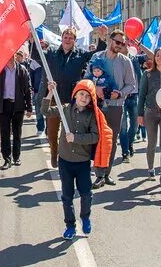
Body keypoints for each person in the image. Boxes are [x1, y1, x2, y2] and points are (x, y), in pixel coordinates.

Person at [43, 79, 111, 240]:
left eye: (87, 96)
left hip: (82, 162)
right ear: (75, 94)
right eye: (81, 94)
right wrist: (50, 92)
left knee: (86, 193)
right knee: (67, 196)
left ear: (91, 99)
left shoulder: (91, 115)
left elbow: (95, 136)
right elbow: (45, 111)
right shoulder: (64, 108)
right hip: (65, 161)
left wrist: (76, 138)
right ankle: (70, 226)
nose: (84, 98)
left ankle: (85, 216)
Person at [31, 26, 107, 167]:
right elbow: (36, 54)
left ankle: (67, 157)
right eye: (65, 37)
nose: (67, 40)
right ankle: (54, 152)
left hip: (73, 101)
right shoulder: (52, 53)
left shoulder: (80, 55)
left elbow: (97, 54)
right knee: (52, 133)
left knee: (69, 132)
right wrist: (32, 39)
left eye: (70, 38)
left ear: (74, 40)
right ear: (62, 38)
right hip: (54, 99)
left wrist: (101, 39)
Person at [90, 29, 138, 187]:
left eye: (123, 44)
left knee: (111, 141)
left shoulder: (125, 61)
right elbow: (86, 78)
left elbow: (131, 84)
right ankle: (98, 174)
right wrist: (95, 88)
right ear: (110, 41)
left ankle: (106, 173)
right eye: (118, 42)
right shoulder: (97, 57)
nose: (120, 45)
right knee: (98, 139)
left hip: (116, 107)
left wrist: (121, 93)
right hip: (97, 105)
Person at [136, 47, 161, 183]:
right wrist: (140, 114)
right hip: (150, 112)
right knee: (151, 143)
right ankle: (151, 169)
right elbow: (141, 95)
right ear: (154, 58)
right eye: (157, 55)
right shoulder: (148, 74)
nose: (160, 58)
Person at [0, 51, 33, 168]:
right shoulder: (0, 71)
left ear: (15, 55)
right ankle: (7, 159)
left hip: (18, 105)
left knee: (17, 133)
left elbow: (27, 89)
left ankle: (16, 157)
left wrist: (29, 107)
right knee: (5, 133)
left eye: (12, 55)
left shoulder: (22, 70)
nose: (10, 57)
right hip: (4, 104)